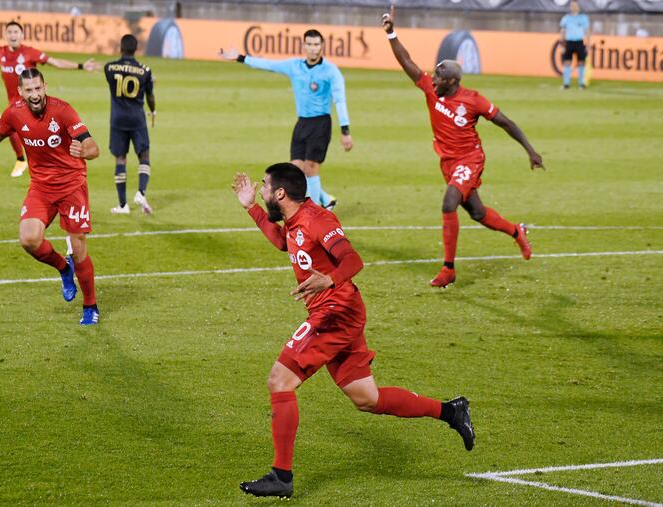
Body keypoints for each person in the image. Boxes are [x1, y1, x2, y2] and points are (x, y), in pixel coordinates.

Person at [232, 163, 474, 499]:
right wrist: (251, 207)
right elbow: (282, 243)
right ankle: (451, 411)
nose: (260, 189)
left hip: (337, 313)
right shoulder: (294, 219)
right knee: (367, 399)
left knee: (279, 380)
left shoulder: (319, 220)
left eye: (264, 186)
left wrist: (329, 279)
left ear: (281, 193)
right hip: (336, 311)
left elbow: (353, 260)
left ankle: (281, 476)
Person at [382, 6, 545, 288]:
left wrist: (530, 150)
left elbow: (506, 123)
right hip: (447, 161)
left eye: (439, 76)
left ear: (453, 82)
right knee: (477, 213)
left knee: (449, 203)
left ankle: (448, 269)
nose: (432, 79)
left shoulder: (474, 100)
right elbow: (406, 61)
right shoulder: (432, 90)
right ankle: (516, 231)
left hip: (469, 160)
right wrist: (391, 33)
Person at [0, 68, 101, 325]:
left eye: (38, 88)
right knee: (29, 239)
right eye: (29, 90)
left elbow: (93, 147)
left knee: (79, 250)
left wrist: (83, 151)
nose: (35, 94)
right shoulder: (14, 112)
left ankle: (90, 306)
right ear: (20, 92)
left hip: (72, 186)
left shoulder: (63, 110)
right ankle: (64, 269)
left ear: (45, 86)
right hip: (41, 188)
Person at [0, 21, 99, 177]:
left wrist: (80, 66)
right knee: (7, 131)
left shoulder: (30, 52)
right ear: (5, 35)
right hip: (15, 104)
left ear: (21, 35)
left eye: (16, 32)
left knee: (29, 132)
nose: (13, 35)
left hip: (32, 104)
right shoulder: (0, 52)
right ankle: (22, 160)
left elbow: (54, 62)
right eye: (10, 32)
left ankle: (29, 161)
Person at [220, 29, 353, 210]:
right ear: (304, 46)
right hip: (302, 123)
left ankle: (313, 212)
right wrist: (241, 58)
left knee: (311, 168)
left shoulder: (331, 71)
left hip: (320, 123)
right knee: (296, 171)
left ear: (322, 46)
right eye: (310, 44)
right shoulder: (294, 66)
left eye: (316, 44)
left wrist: (345, 131)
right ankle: (326, 199)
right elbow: (268, 64)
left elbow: (340, 99)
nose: (313, 49)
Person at [104, 34, 156, 215]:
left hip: (118, 119)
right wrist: (153, 110)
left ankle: (123, 205)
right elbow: (150, 95)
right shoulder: (145, 70)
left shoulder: (109, 68)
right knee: (144, 155)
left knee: (120, 159)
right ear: (136, 49)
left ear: (121, 48)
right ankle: (141, 192)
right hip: (137, 119)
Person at [559, 0, 591, 90]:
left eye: (575, 5)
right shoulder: (566, 18)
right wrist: (561, 43)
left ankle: (581, 83)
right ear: (569, 7)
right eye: (572, 5)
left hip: (579, 42)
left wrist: (589, 44)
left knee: (581, 62)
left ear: (578, 7)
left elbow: (587, 31)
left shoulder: (583, 18)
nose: (573, 7)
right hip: (569, 42)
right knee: (567, 62)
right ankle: (566, 84)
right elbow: (562, 31)